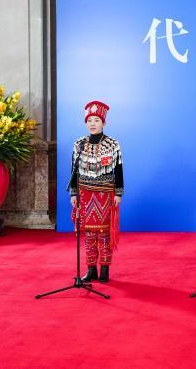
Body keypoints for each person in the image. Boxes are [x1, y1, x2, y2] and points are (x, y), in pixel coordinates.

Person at [69, 100, 124, 283]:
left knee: (104, 233)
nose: (92, 123)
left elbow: (118, 169)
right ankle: (91, 269)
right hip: (85, 194)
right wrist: (74, 193)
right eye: (89, 120)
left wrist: (118, 193)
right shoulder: (79, 144)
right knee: (89, 234)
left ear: (104, 123)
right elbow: (73, 171)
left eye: (96, 120)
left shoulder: (113, 144)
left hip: (105, 195)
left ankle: (105, 269)